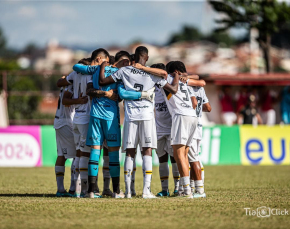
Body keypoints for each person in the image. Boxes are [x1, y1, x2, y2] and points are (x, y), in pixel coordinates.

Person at [99, 46, 179, 198]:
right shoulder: (152, 75)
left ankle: (129, 191)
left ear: (134, 57)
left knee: (130, 152)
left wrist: (103, 65)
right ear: (147, 58)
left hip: (131, 116)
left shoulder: (125, 71)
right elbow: (173, 90)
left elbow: (102, 81)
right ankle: (146, 191)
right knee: (147, 151)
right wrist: (177, 77)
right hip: (147, 116)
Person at [72, 50, 154, 198]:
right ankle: (116, 191)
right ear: (123, 62)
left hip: (95, 115)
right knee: (113, 154)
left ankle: (91, 191)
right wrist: (143, 95)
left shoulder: (96, 69)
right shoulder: (121, 72)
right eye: (127, 62)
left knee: (94, 153)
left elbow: (76, 67)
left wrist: (100, 65)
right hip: (111, 117)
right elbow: (122, 94)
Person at [57, 48, 110, 198]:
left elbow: (62, 82)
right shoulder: (91, 74)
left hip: (76, 118)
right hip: (87, 118)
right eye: (105, 61)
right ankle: (85, 190)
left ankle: (76, 189)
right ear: (99, 60)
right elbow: (90, 92)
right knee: (85, 155)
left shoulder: (76, 73)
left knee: (79, 155)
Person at [161, 61, 198, 198]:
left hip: (180, 115)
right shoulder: (186, 82)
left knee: (178, 154)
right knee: (185, 153)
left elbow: (169, 87)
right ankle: (184, 188)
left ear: (172, 71)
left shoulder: (169, 79)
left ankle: (186, 190)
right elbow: (194, 102)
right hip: (193, 116)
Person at [53, 77, 77, 197]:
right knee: (78, 154)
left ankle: (61, 189)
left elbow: (59, 82)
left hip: (59, 121)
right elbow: (66, 101)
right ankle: (73, 189)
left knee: (61, 156)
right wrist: (80, 101)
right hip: (66, 122)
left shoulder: (67, 81)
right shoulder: (73, 83)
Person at [188, 83, 211, 198]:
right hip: (199, 126)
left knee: (193, 159)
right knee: (195, 156)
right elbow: (208, 108)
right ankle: (193, 187)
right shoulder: (201, 89)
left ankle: (199, 188)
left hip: (190, 125)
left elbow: (193, 103)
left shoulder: (186, 87)